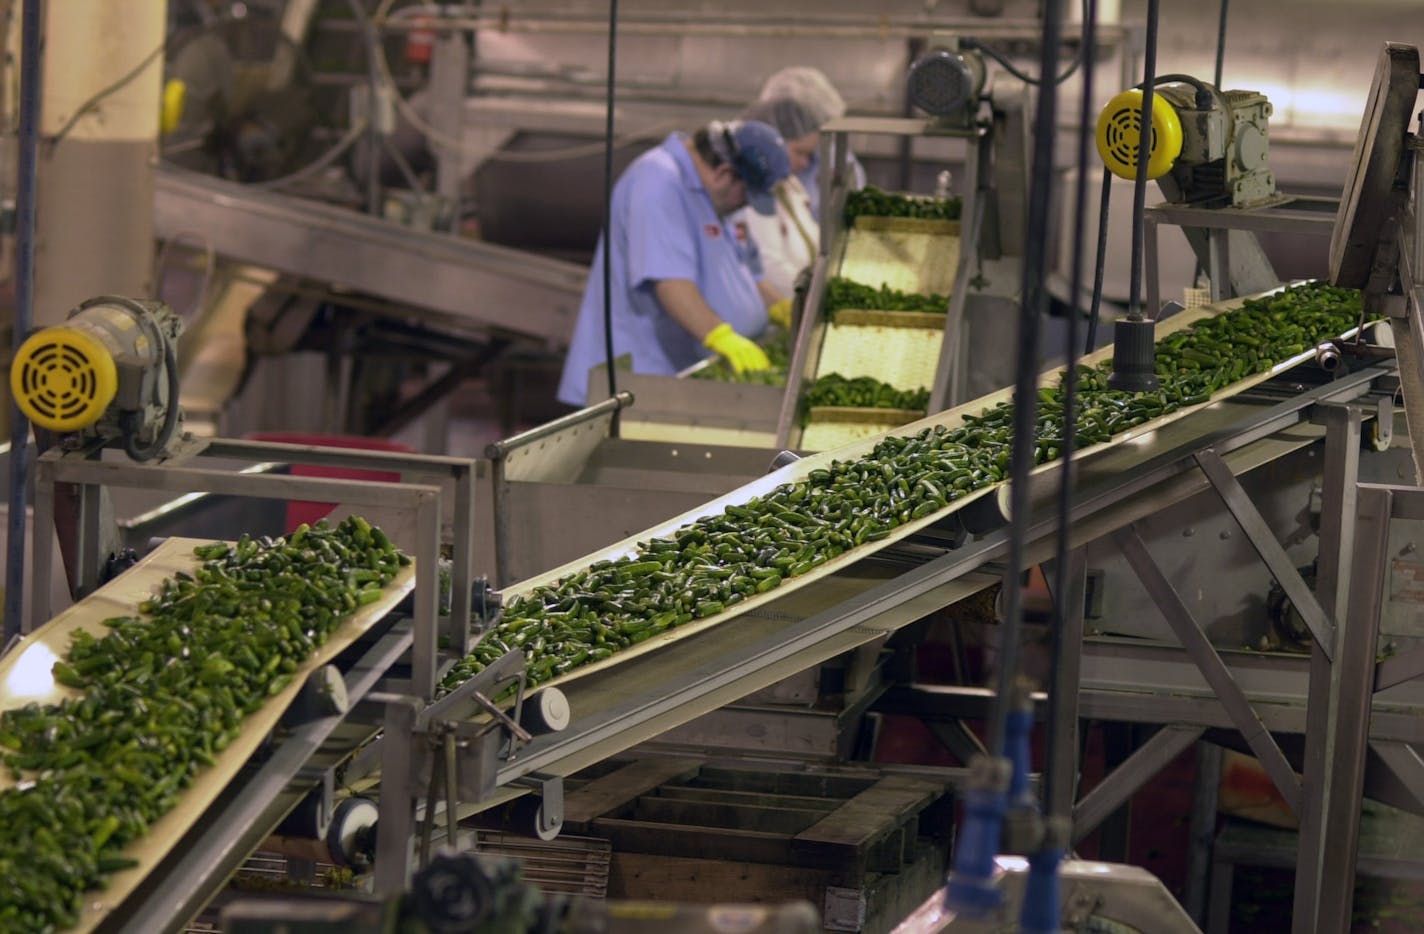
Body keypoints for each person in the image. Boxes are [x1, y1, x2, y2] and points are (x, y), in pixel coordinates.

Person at [556, 119, 793, 407]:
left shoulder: (719, 196)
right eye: (746, 196)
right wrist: (721, 336)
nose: (745, 206)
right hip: (635, 386)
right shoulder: (657, 183)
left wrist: (779, 307)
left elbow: (750, 271)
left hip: (687, 377)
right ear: (724, 172)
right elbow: (670, 284)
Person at [731, 97, 822, 301]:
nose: (805, 163)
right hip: (781, 306)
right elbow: (768, 267)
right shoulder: (753, 198)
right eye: (799, 152)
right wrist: (812, 298)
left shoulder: (790, 185)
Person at [757, 66, 866, 220]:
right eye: (799, 152)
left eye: (809, 152)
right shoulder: (756, 167)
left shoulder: (836, 161)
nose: (805, 163)